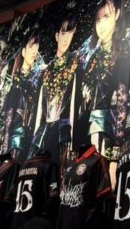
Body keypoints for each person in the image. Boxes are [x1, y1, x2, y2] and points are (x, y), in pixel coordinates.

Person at [78, 0, 130, 160]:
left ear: (117, 14)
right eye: (98, 20)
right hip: (86, 131)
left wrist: (116, 150)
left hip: (107, 129)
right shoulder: (93, 58)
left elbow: (122, 99)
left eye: (106, 17)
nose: (101, 25)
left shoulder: (123, 51)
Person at [31, 15, 80, 170]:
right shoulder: (46, 71)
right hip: (44, 132)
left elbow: (74, 105)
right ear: (57, 36)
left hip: (64, 131)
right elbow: (39, 108)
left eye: (70, 33)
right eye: (63, 33)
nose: (66, 38)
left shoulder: (75, 64)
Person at [3, 29, 43, 160]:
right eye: (31, 46)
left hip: (31, 135)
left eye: (36, 47)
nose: (34, 51)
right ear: (24, 51)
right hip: (15, 136)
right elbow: (8, 117)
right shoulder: (14, 81)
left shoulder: (38, 78)